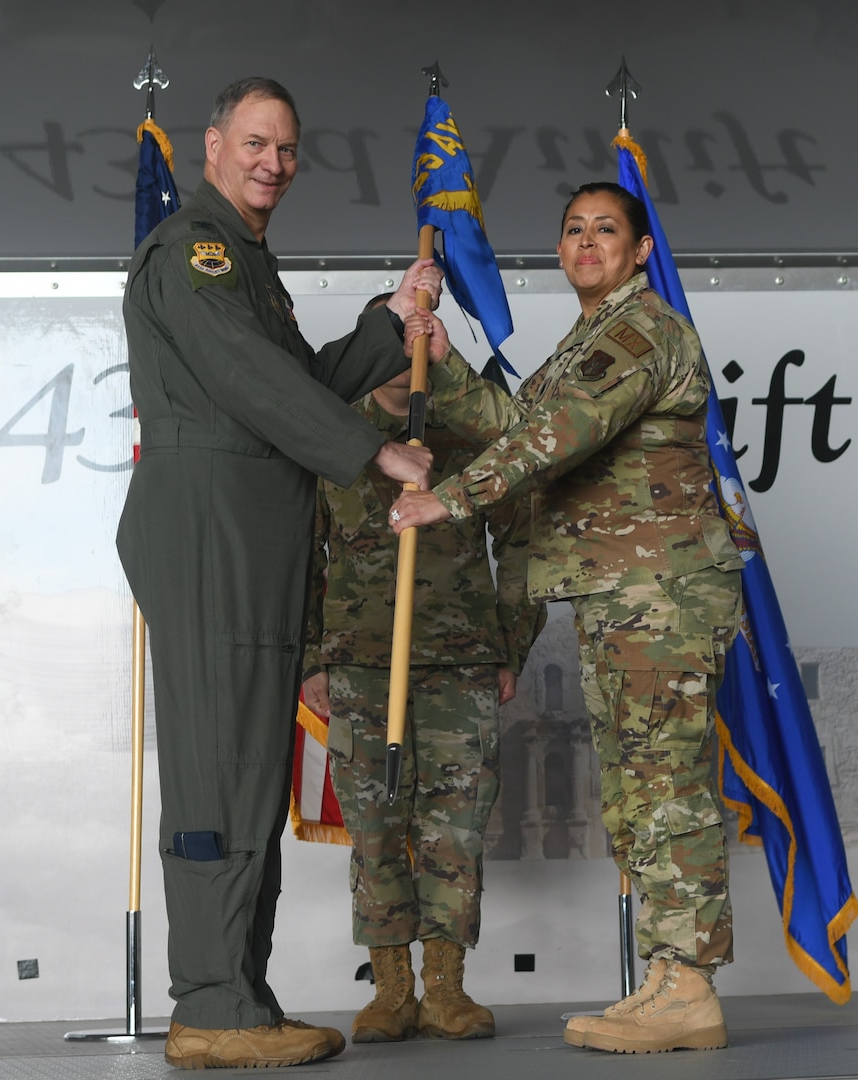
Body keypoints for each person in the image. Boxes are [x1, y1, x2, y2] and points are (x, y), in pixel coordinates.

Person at [115, 76, 442, 1070]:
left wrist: (389, 321)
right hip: (211, 528)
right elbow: (249, 382)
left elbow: (290, 378)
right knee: (219, 770)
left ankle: (238, 997)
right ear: (209, 146)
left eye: (287, 148)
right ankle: (210, 1003)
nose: (273, 163)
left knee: (250, 772)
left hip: (252, 533)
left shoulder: (246, 263)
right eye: (255, 142)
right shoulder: (196, 253)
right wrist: (373, 452)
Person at [389, 181, 746, 1055]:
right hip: (619, 596)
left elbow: (561, 434)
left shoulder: (642, 331)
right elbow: (521, 419)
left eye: (607, 231)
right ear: (559, 251)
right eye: (574, 231)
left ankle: (691, 984)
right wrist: (442, 351)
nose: (588, 243)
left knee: (667, 787)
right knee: (634, 790)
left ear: (639, 251)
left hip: (661, 595)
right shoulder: (588, 338)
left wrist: (453, 499)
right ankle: (667, 975)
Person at [301, 296, 546, 1044]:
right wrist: (312, 657)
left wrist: (509, 642)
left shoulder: (473, 432)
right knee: (374, 826)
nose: (404, 348)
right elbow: (298, 558)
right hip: (362, 666)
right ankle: (391, 988)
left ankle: (445, 986)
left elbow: (529, 538)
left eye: (416, 334)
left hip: (461, 664)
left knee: (454, 830)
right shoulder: (334, 435)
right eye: (393, 334)